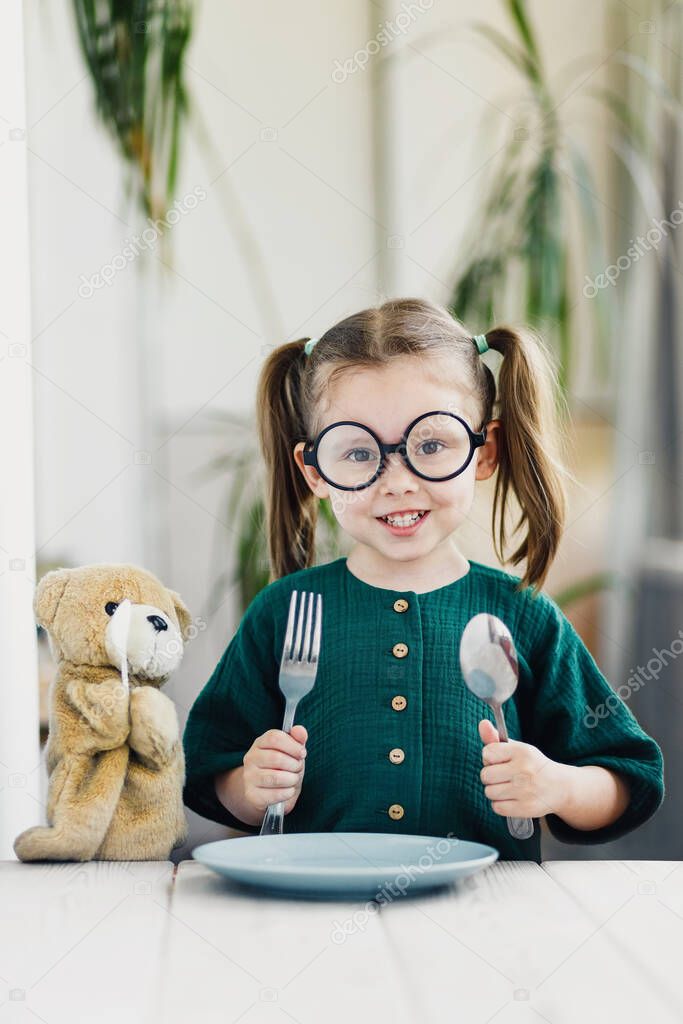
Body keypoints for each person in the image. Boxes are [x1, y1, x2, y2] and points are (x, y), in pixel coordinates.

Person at [182, 297, 664, 861]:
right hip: (314, 917)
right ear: (315, 471)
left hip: (485, 922)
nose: (398, 482)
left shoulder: (522, 617)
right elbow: (208, 769)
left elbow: (628, 780)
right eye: (359, 452)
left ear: (485, 452)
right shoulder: (284, 612)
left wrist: (558, 786)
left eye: (431, 445)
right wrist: (249, 788)